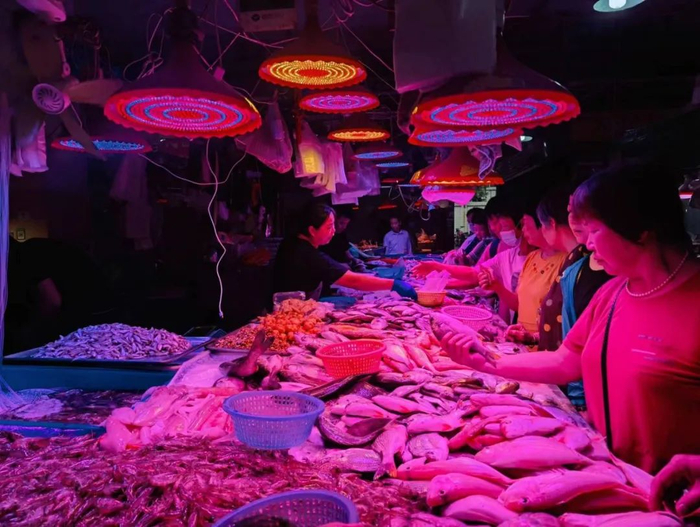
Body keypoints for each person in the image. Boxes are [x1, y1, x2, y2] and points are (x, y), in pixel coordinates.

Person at [441, 162, 700, 474]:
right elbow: (565, 360)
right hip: (612, 477)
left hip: (673, 494)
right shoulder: (614, 292)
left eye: (594, 231)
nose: (587, 243)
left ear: (639, 228)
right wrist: (484, 362)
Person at [274, 203, 416, 300]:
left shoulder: (292, 242)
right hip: (289, 316)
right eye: (329, 227)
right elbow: (354, 281)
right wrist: (393, 284)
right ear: (312, 230)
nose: (334, 231)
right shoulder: (306, 253)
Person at [561, 194, 612, 408]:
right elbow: (570, 357)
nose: (590, 244)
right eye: (570, 211)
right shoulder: (576, 273)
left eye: (596, 230)